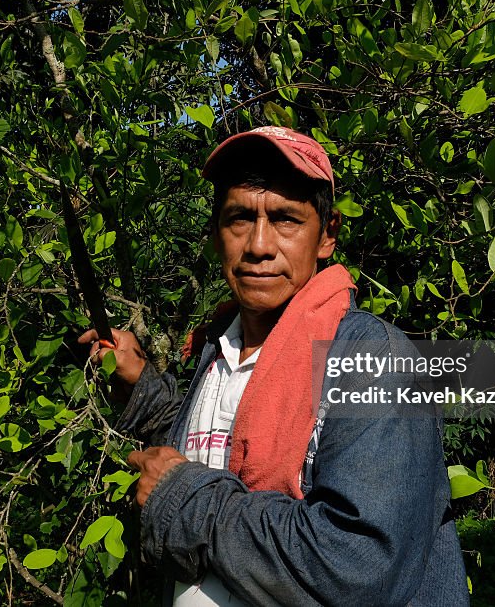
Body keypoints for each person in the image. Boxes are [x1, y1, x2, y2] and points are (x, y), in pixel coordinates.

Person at [79, 127, 469, 606]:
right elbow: (207, 454)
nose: (259, 245)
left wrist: (186, 500)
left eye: (286, 220)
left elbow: (355, 565)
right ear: (215, 234)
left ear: (327, 235)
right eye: (240, 218)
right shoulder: (218, 349)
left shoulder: (372, 360)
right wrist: (140, 384)